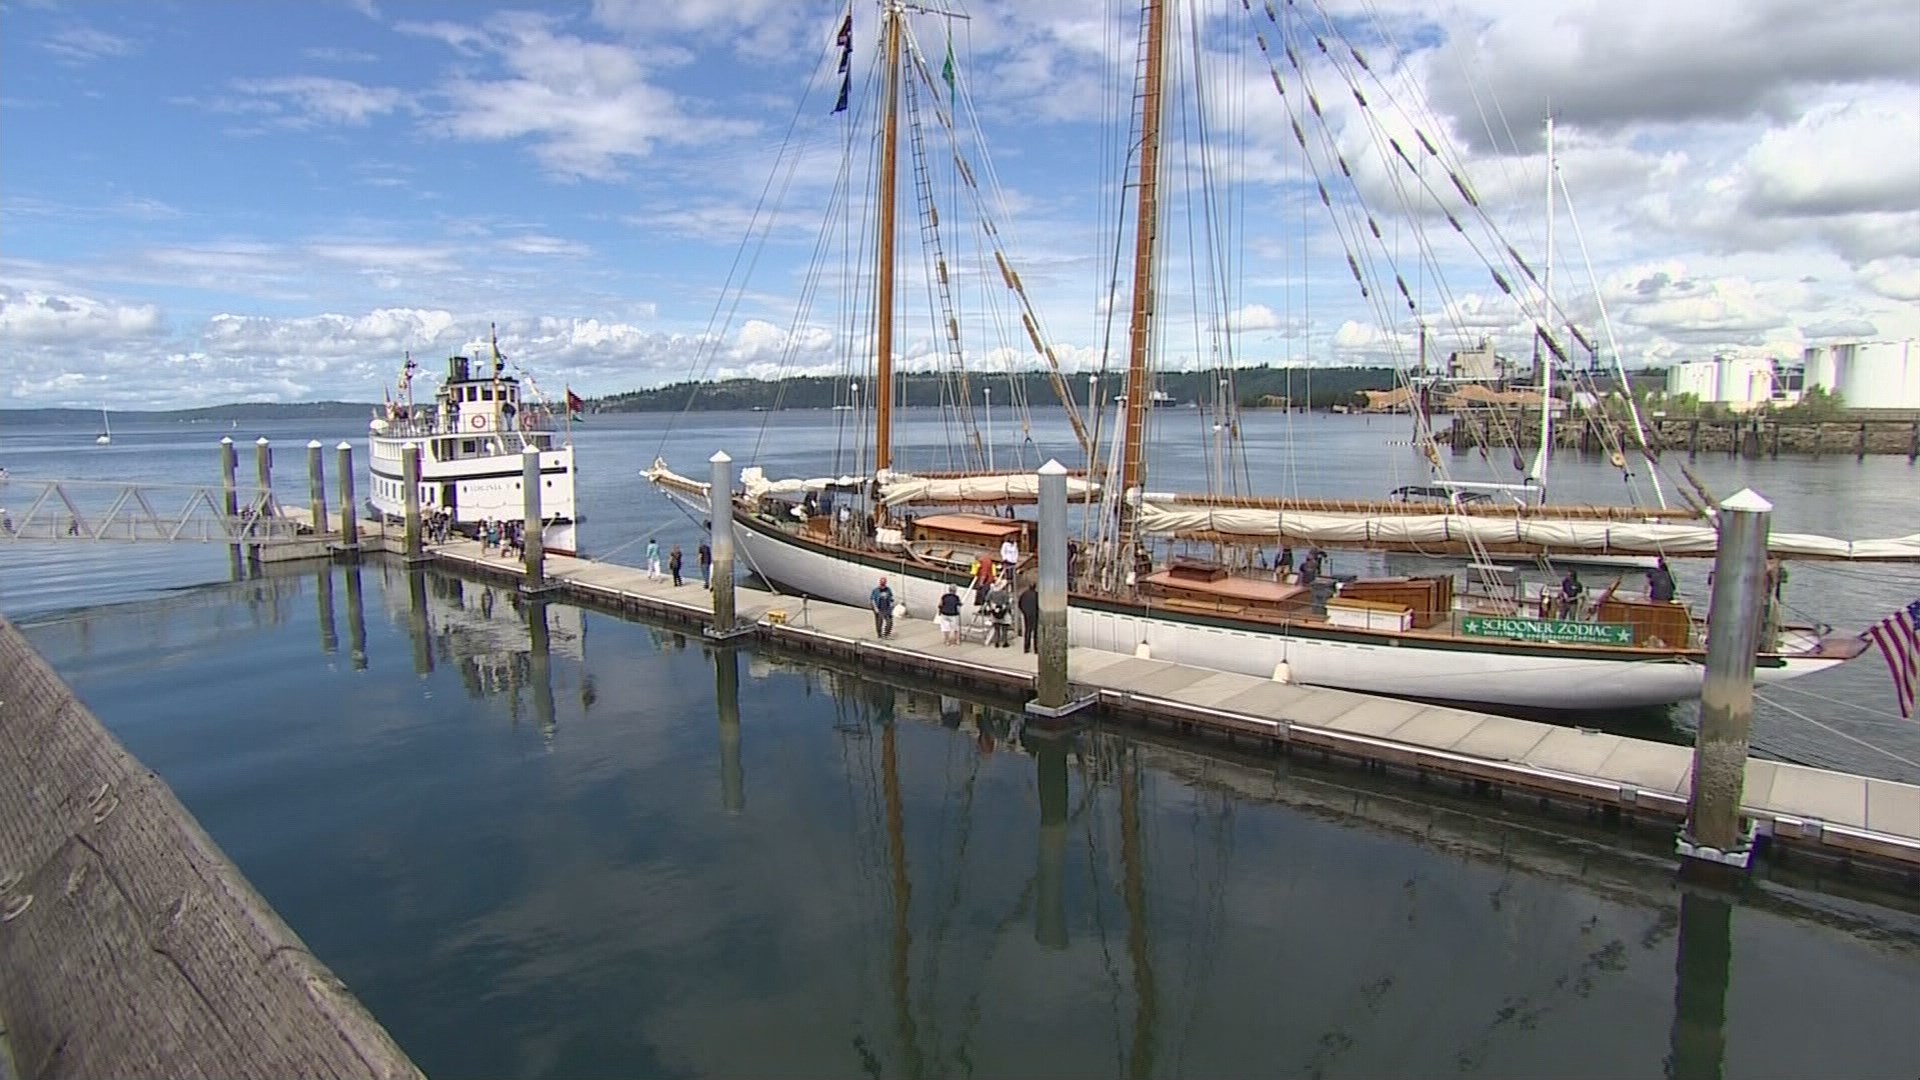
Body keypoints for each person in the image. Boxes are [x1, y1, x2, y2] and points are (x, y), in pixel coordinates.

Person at [1018, 579, 1040, 654]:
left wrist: (1023, 611)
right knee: (1036, 632)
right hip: (1035, 614)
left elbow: (1020, 604)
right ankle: (1036, 649)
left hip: (1026, 614)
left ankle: (1026, 648)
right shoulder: (1037, 595)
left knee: (1027, 630)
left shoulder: (1024, 594)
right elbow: (1039, 605)